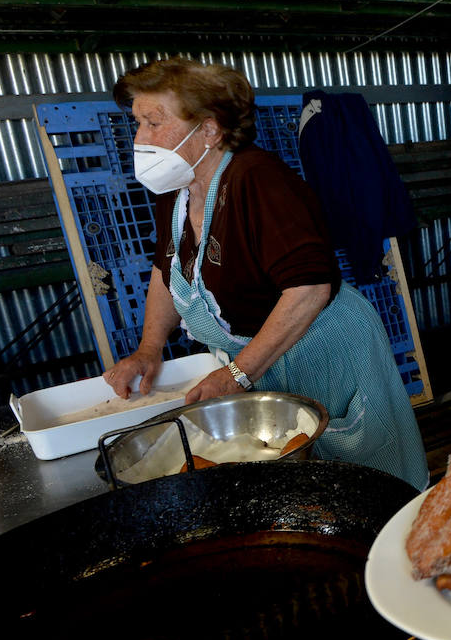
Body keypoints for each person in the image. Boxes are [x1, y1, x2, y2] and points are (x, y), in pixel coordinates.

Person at [102, 57, 430, 491]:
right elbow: (167, 271)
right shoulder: (177, 190)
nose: (140, 139)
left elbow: (310, 288)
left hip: (324, 351)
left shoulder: (258, 180)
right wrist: (148, 349)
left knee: (370, 482)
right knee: (306, 482)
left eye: (153, 122)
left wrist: (237, 374)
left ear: (209, 128)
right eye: (137, 124)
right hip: (262, 362)